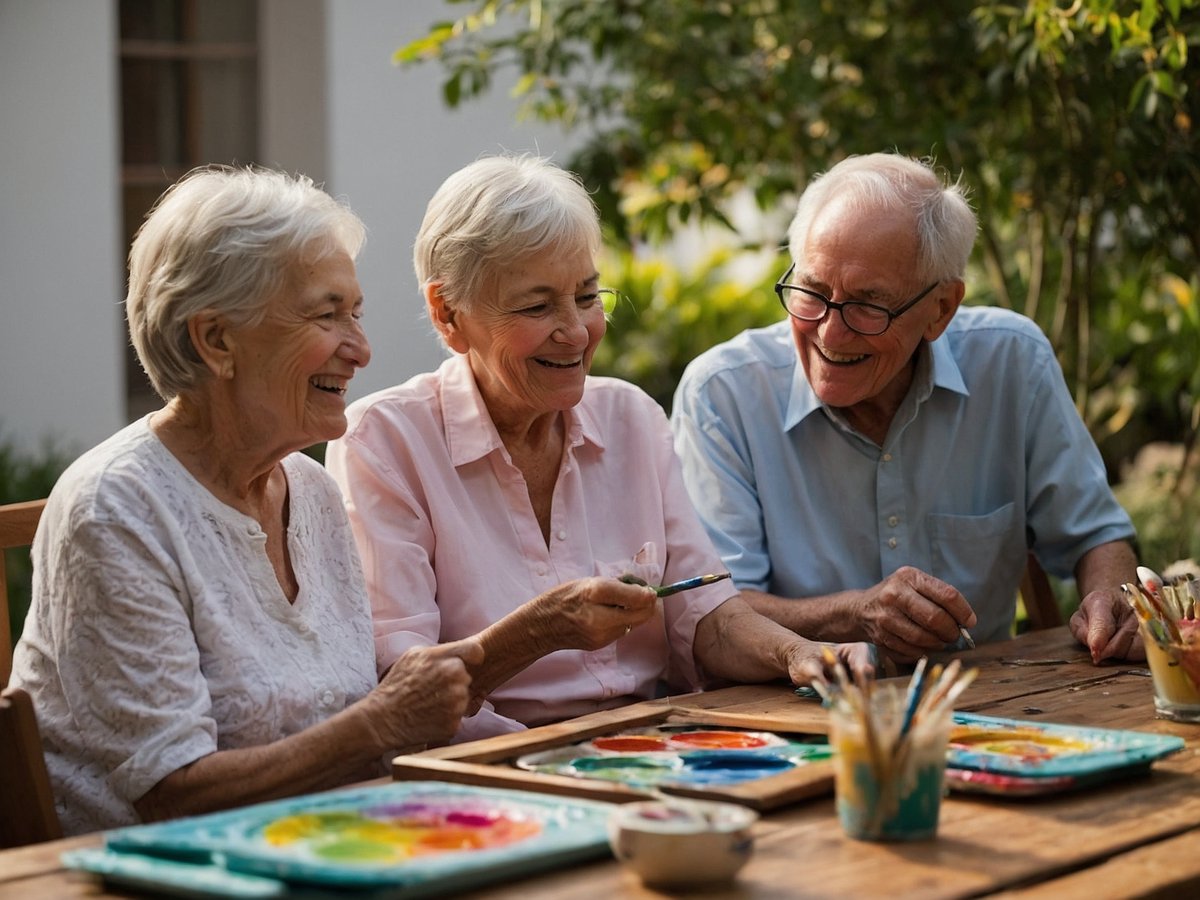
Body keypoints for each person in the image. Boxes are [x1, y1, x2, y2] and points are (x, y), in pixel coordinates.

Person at [326, 155, 872, 743]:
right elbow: (403, 688)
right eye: (537, 307)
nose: (576, 331)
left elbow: (708, 617)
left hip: (649, 745)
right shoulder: (384, 440)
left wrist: (800, 653)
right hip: (488, 764)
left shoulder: (631, 417)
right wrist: (535, 632)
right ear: (448, 314)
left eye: (587, 297)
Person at [10, 166, 482, 836]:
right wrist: (382, 722)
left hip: (327, 844)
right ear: (216, 340)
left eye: (356, 313)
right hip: (150, 869)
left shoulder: (311, 489)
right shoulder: (114, 509)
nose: (361, 350)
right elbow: (172, 795)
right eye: (326, 315)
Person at [670, 152, 1141, 667]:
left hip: (990, 695)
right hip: (791, 704)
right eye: (812, 291)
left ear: (941, 309)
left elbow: (1095, 534)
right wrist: (855, 614)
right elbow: (715, 611)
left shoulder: (1011, 361)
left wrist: (1111, 597)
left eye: (868, 305)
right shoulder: (723, 394)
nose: (830, 332)